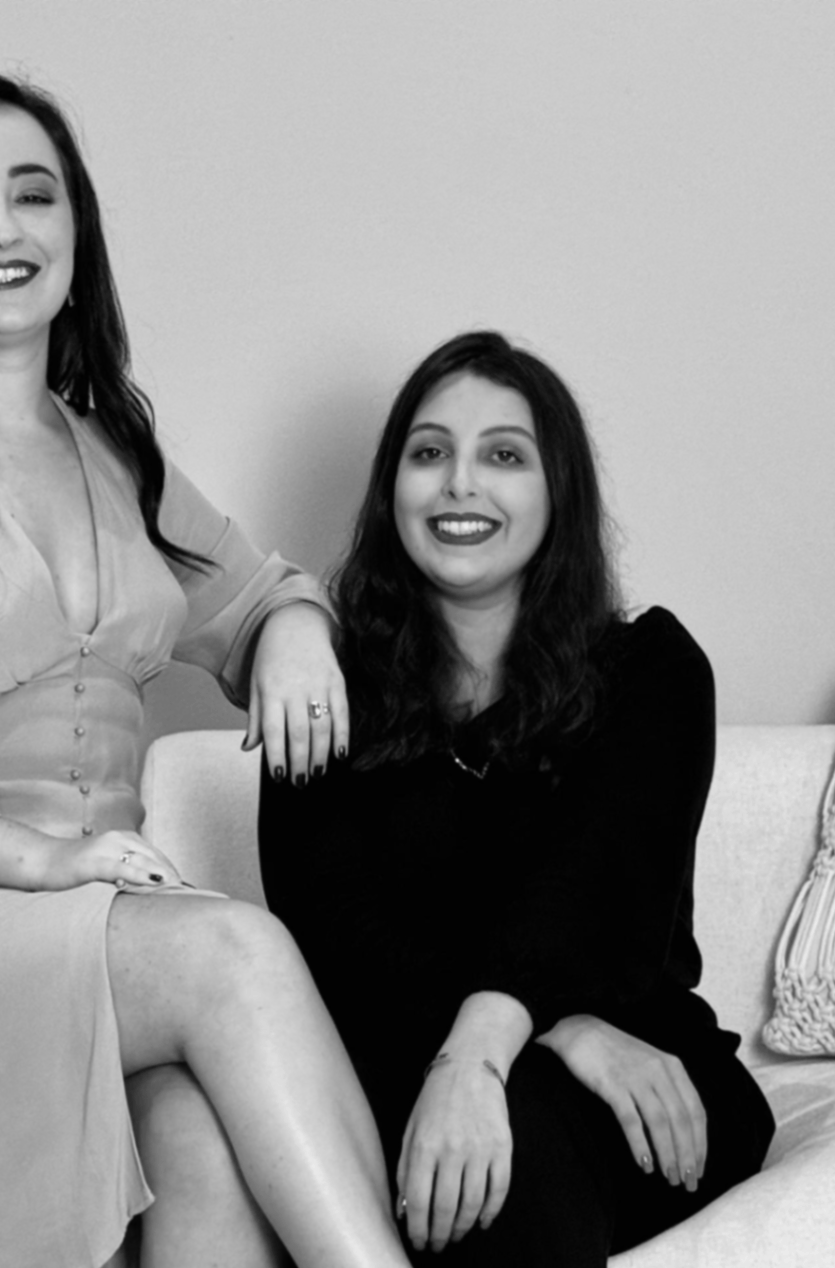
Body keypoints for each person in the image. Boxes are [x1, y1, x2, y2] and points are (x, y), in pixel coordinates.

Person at [0, 72, 412, 1268]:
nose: (0, 228)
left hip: (104, 926)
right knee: (233, 950)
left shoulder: (122, 459)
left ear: (76, 234)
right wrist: (48, 860)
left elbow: (258, 593)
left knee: (197, 1141)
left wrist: (293, 627)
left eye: (32, 194)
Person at [259, 331, 775, 1265]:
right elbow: (335, 940)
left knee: (506, 1146)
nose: (460, 483)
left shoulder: (650, 671)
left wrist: (495, 1044)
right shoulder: (322, 689)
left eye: (504, 455)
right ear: (391, 489)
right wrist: (548, 1029)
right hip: (411, 1058)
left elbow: (597, 898)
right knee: (461, 1136)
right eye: (429, 453)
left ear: (557, 491)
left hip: (640, 1068)